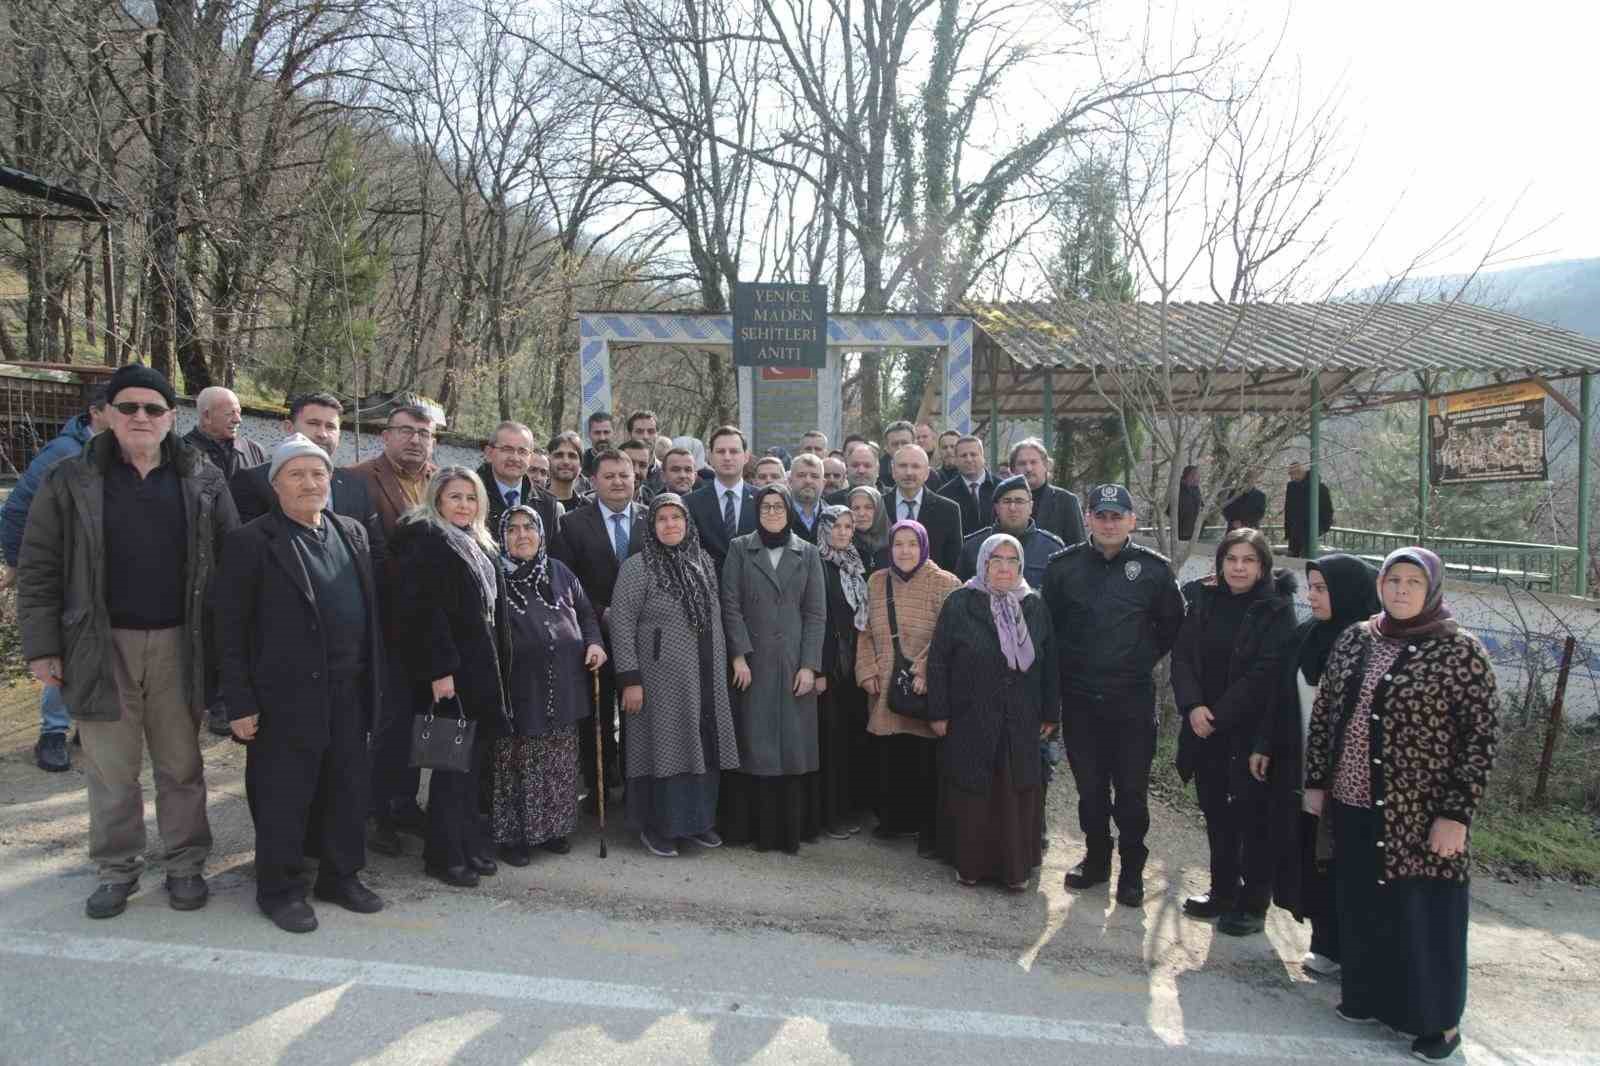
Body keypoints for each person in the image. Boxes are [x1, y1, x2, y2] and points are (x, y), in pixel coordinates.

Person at [17, 363, 239, 918]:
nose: (142, 417)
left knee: (180, 764)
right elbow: (40, 566)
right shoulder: (71, 478)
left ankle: (186, 864)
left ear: (171, 418)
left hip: (178, 644)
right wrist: (44, 648)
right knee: (111, 769)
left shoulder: (202, 477)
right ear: (107, 414)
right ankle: (117, 869)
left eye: (154, 408)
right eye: (130, 407)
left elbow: (233, 562)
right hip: (98, 642)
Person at [1303, 548, 1498, 1062]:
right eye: (1394, 580)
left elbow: (1480, 740)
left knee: (1425, 915)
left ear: (1431, 588)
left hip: (1421, 813)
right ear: (1381, 585)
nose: (1402, 590)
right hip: (1352, 801)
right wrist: (1317, 782)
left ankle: (1437, 1023)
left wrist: (1456, 814)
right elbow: (1325, 715)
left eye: (1414, 581)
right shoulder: (1357, 639)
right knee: (1365, 907)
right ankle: (1370, 999)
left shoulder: (1461, 652)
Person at [216, 435, 385, 933]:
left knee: (347, 789)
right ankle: (279, 889)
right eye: (296, 474)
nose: (310, 483)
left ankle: (339, 875)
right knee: (283, 797)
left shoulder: (350, 531)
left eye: (318, 473)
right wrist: (239, 702)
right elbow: (229, 628)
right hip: (283, 698)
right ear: (276, 485)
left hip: (349, 690)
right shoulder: (251, 541)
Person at [1041, 484, 1184, 908]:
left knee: (1132, 793)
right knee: (1090, 790)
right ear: (1087, 518)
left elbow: (1172, 625)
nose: (1108, 523)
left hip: (1131, 699)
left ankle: (1133, 872)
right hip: (1082, 698)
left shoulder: (1153, 570)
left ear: (1131, 521)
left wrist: (1139, 657)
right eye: (1100, 515)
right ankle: (1098, 860)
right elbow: (1050, 629)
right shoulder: (1062, 567)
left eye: (1116, 516)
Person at [1254, 554, 1379, 978]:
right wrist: (1265, 744)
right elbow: (1276, 693)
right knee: (1311, 854)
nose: (1313, 596)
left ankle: (1357, 948)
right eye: (1311, 587)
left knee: (1346, 859)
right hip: (1299, 764)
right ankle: (1324, 941)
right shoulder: (1306, 634)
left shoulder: (1371, 642)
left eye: (1323, 589)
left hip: (1352, 776)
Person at [1169, 529, 1298, 936]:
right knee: (1216, 814)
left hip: (1250, 732)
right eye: (1231, 559)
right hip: (1204, 729)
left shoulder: (1276, 608)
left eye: (1248, 560)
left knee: (1252, 819)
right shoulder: (1204, 600)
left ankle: (1254, 902)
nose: (1239, 567)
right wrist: (1193, 707)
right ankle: (1222, 891)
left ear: (1262, 567)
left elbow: (1265, 674)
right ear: (1220, 564)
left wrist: (1218, 714)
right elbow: (1184, 656)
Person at [389, 467, 512, 888]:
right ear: (437, 499)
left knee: (471, 768)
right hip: (448, 677)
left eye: (471, 498)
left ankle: (466, 843)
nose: (463, 505)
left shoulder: (478, 542)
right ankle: (443, 855)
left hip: (479, 671)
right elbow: (421, 612)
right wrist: (440, 671)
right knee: (448, 768)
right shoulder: (426, 540)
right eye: (455, 497)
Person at [611, 493, 741, 855]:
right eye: (662, 519)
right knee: (663, 747)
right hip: (658, 681)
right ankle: (658, 827)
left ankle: (696, 823)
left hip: (703, 675)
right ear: (651, 526)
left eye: (676, 518)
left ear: (688, 523)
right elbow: (621, 624)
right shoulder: (637, 567)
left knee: (700, 746)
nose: (670, 525)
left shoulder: (703, 561)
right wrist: (630, 679)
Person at [928, 534, 1059, 889]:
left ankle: (1014, 870)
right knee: (974, 791)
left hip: (1021, 716)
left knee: (1016, 792)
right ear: (983, 563)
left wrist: (1050, 712)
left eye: (1011, 560)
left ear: (1021, 566)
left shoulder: (1035, 605)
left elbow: (1048, 664)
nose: (1004, 567)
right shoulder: (960, 602)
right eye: (995, 560)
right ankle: (970, 865)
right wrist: (938, 712)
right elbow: (938, 660)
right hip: (971, 715)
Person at [347, 404, 439, 856]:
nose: (416, 440)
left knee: (425, 718)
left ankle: (406, 802)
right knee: (390, 722)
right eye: (406, 431)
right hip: (386, 621)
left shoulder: (442, 481)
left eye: (424, 433)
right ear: (386, 436)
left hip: (434, 625)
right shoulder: (359, 478)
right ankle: (376, 811)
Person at [2, 385, 107, 772]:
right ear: (98, 412)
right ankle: (52, 733)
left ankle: (85, 727)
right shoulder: (63, 454)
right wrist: (17, 563)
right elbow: (16, 509)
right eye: (124, 408)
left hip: (102, 573)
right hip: (66, 572)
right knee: (64, 649)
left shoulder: (120, 454)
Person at [717, 484, 827, 853]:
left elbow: (815, 613)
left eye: (779, 507)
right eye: (766, 507)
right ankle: (756, 832)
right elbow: (729, 604)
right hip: (754, 663)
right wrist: (738, 655)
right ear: (757, 511)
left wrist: (810, 665)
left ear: (789, 510)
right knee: (757, 746)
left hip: (794, 663)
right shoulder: (738, 548)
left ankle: (790, 832)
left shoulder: (808, 553)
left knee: (792, 747)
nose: (772, 513)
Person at [492, 505, 604, 866]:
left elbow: (586, 613)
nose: (522, 535)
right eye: (513, 529)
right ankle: (515, 837)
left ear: (541, 533)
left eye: (529, 528)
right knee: (518, 764)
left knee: (558, 761)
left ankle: (554, 830)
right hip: (519, 687)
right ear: (502, 536)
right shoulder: (495, 575)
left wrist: (594, 643)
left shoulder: (559, 571)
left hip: (564, 682)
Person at [856, 520, 960, 856]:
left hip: (924, 682)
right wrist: (866, 668)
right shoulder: (876, 581)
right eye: (898, 544)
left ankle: (926, 827)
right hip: (885, 680)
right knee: (890, 753)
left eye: (912, 544)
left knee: (924, 758)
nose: (904, 551)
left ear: (924, 546)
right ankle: (893, 820)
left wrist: (925, 670)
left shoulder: (945, 583)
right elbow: (864, 630)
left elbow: (949, 636)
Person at [560, 449, 647, 806]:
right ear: (593, 481)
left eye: (623, 475)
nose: (617, 482)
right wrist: (602, 613)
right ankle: (598, 792)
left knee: (636, 715)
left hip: (643, 636)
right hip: (594, 634)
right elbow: (567, 582)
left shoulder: (653, 519)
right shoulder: (572, 523)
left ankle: (635, 788)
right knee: (596, 719)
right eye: (608, 476)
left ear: (634, 479)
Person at [230, 395, 383, 559]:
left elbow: (375, 552)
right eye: (313, 423)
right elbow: (245, 552)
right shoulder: (252, 480)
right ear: (289, 427)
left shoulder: (355, 484)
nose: (322, 434)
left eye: (331, 426)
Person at [814, 506, 871, 836]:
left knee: (850, 739)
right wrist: (819, 668)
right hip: (829, 668)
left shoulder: (854, 564)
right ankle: (828, 814)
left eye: (848, 526)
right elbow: (816, 620)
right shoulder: (816, 562)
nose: (842, 532)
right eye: (835, 525)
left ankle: (849, 809)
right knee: (829, 742)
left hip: (852, 667)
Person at [956, 474, 1065, 587]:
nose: (1012, 508)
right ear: (997, 508)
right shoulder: (974, 546)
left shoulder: (1052, 549)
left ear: (1031, 507)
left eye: (1019, 501)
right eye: (1007, 501)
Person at [477, 421, 565, 557]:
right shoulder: (472, 497)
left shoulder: (547, 504)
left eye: (522, 451)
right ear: (489, 453)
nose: (515, 458)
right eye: (507, 449)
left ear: (530, 457)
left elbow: (554, 560)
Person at [685, 425, 757, 571]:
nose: (727, 457)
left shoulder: (762, 500)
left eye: (734, 451)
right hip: (708, 588)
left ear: (746, 457)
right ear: (710, 457)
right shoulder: (690, 503)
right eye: (720, 451)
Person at [883, 444, 963, 573]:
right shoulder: (880, 506)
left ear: (927, 473)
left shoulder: (949, 510)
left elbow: (954, 563)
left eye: (915, 466)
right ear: (893, 471)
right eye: (902, 466)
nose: (909, 472)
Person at [184, 385, 267, 485]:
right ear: (207, 416)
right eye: (230, 413)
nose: (238, 420)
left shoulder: (254, 451)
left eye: (239, 412)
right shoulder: (182, 453)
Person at [1010, 439, 1085, 547]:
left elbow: (1078, 548)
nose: (1028, 468)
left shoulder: (1066, 501)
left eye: (1033, 462)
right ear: (1012, 469)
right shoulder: (1004, 502)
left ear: (1046, 465)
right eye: (1022, 463)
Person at [938, 434, 997, 533]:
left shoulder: (1000, 488)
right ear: (956, 460)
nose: (969, 460)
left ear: (983, 457)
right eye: (963, 455)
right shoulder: (945, 495)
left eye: (973, 454)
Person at [1284, 462, 1335, 558]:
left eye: (1292, 473)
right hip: (1295, 532)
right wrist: (1288, 530)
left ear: (1300, 472)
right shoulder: (1291, 487)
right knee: (1293, 561)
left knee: (1307, 560)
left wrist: (1320, 528)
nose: (1291, 476)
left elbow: (1328, 511)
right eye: (1290, 473)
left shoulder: (1319, 488)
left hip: (1310, 532)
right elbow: (1288, 509)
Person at [846, 484, 890, 572]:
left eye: (868, 507)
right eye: (856, 508)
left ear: (879, 510)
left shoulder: (895, 543)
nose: (861, 513)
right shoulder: (842, 546)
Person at [547, 430, 593, 508]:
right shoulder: (534, 504)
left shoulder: (588, 508)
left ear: (580, 464)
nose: (566, 462)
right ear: (548, 461)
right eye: (559, 455)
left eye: (572, 456)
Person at [788, 452, 826, 542]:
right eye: (801, 475)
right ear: (790, 481)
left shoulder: (834, 517)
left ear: (823, 483)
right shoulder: (777, 515)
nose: (808, 481)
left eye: (815, 476)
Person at [878, 421, 916, 490]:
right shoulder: (877, 473)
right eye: (895, 444)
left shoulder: (928, 474)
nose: (900, 448)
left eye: (904, 443)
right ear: (887, 447)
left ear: (914, 444)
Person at [619, 439, 658, 503]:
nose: (636, 471)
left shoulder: (653, 502)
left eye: (643, 465)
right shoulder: (601, 499)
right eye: (630, 463)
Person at [581, 410, 614, 476]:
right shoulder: (580, 462)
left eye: (606, 432)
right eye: (597, 433)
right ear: (589, 434)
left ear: (613, 433)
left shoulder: (622, 460)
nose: (602, 438)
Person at [1175, 465, 1203, 542]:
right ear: (1190, 476)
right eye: (1197, 475)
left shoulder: (1196, 489)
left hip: (1194, 530)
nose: (1199, 478)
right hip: (1181, 530)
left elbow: (1201, 505)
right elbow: (1169, 508)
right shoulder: (1178, 488)